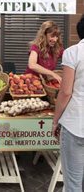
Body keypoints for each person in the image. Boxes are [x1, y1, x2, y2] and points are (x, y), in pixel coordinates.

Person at [53, 15, 84, 191]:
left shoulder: (74, 52)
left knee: (73, 184)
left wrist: (56, 120)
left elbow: (65, 92)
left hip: (76, 125)